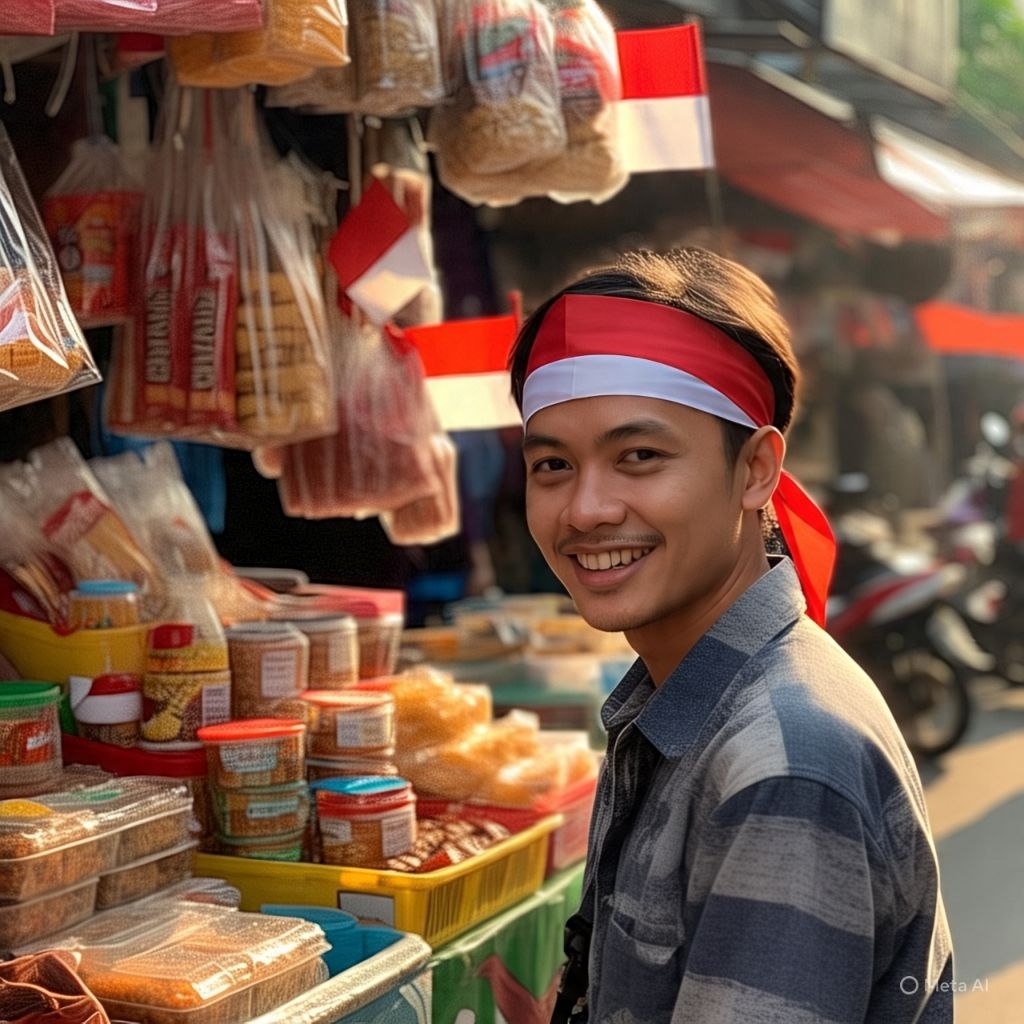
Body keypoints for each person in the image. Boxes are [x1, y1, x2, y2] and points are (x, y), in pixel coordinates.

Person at [509, 248, 953, 1024]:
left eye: (638, 456)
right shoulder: (685, 698)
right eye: (553, 464)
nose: (584, 510)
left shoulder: (781, 768)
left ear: (755, 470)